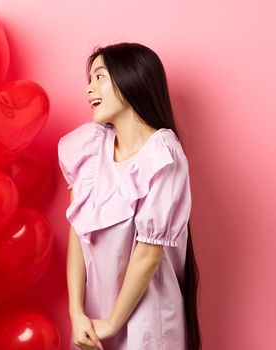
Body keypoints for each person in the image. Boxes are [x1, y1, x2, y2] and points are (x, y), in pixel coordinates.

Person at [58, 43, 200, 350]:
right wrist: (77, 313)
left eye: (99, 77)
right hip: (93, 323)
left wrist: (112, 323)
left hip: (145, 326)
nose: (89, 90)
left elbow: (149, 254)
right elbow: (77, 235)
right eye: (89, 80)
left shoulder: (163, 154)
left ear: (129, 79)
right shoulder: (89, 151)